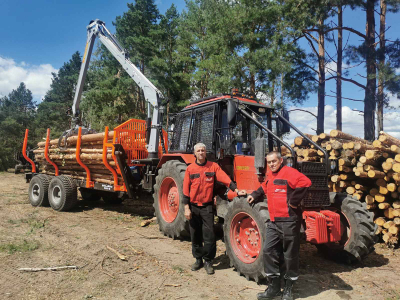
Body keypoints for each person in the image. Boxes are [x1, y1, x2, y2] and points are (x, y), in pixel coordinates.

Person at [247, 151, 311, 300]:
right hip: (274, 222)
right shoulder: (270, 174)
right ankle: (274, 287)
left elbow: (306, 182)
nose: (271, 164)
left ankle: (288, 288)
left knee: (290, 256)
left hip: (289, 221)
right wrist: (255, 194)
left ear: (281, 160)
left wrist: (294, 202)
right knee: (268, 251)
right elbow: (264, 186)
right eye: (269, 162)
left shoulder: (290, 172)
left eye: (274, 161)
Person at [183, 143, 246, 275]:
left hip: (207, 207)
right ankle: (198, 260)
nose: (201, 152)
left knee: (209, 236)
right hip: (193, 207)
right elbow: (185, 190)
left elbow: (225, 179)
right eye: (198, 151)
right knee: (195, 235)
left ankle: (208, 261)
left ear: (206, 153)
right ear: (195, 153)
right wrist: (186, 208)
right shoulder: (190, 169)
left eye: (203, 150)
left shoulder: (213, 166)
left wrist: (236, 189)